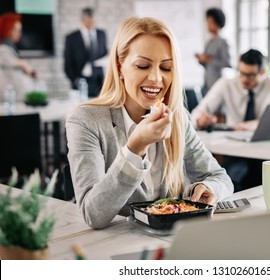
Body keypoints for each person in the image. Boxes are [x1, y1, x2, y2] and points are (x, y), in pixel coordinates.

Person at [65, 17, 234, 229]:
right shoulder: (85, 120)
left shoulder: (177, 117)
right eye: (143, 65)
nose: (156, 78)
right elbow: (93, 214)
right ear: (119, 67)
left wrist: (207, 187)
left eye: (165, 68)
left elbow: (220, 177)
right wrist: (134, 148)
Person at [191, 49, 270, 191]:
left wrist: (256, 124)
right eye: (241, 73)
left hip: (266, 152)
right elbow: (196, 113)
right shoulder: (226, 84)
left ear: (263, 72)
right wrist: (200, 120)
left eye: (251, 75)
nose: (244, 79)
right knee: (232, 180)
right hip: (236, 151)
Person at [64, 7, 108, 98]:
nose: (91, 23)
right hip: (80, 82)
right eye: (88, 21)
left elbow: (105, 53)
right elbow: (67, 63)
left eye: (93, 20)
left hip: (99, 83)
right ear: (82, 20)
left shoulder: (101, 34)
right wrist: (75, 80)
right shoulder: (71, 38)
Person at [0, 13, 36, 101]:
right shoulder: (3, 49)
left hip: (16, 100)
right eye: (16, 30)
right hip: (10, 102)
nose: (19, 34)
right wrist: (24, 64)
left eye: (20, 30)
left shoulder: (11, 48)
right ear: (7, 29)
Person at [195, 7, 230, 95]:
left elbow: (227, 63)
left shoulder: (223, 42)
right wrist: (202, 60)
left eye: (210, 22)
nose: (207, 24)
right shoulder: (209, 42)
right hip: (207, 83)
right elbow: (207, 65)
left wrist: (209, 59)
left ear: (217, 23)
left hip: (218, 83)